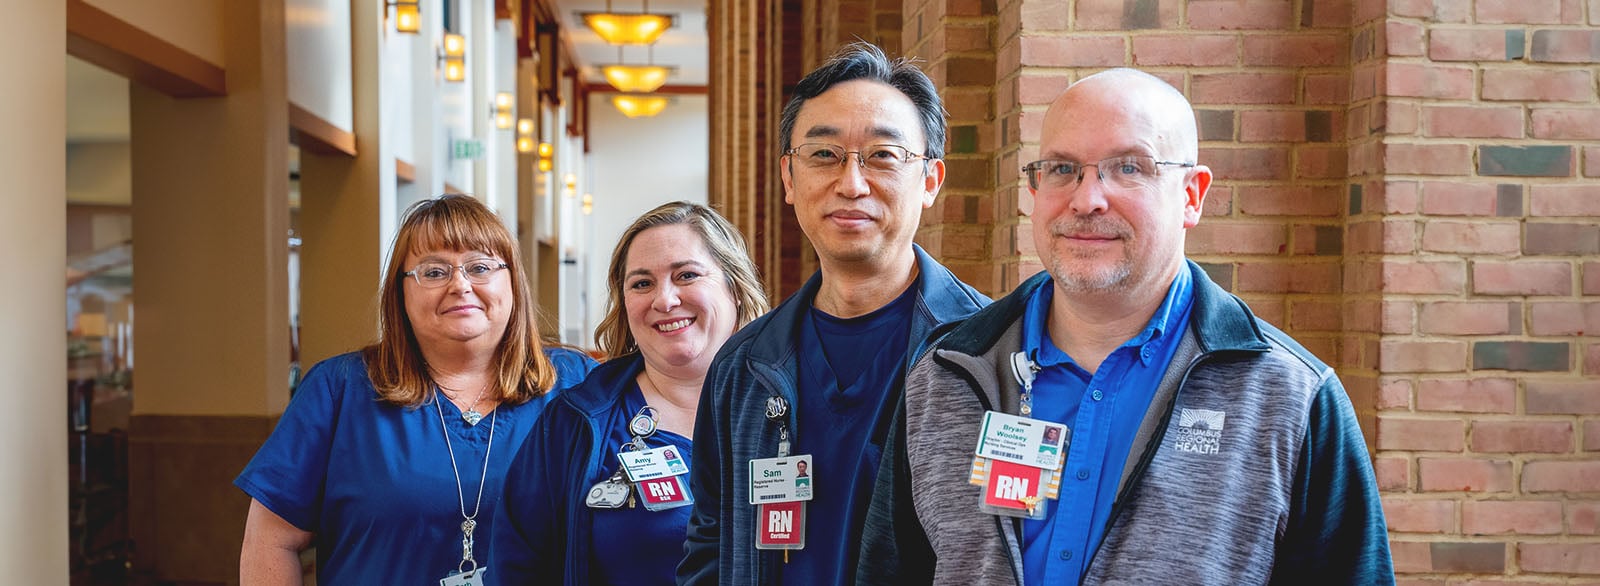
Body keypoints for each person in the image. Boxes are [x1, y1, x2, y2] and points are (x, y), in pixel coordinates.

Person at [864, 68, 1393, 585]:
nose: (1087, 199)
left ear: (1192, 195)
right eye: (1062, 168)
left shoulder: (1290, 397)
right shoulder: (944, 376)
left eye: (1129, 168)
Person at [678, 42, 990, 585]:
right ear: (788, 179)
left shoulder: (988, 351)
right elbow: (711, 543)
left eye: (883, 156)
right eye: (824, 155)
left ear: (932, 181)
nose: (851, 183)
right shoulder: (745, 367)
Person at [236, 194, 596, 585]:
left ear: (512, 282)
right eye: (434, 272)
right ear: (401, 291)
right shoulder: (338, 390)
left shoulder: (577, 383)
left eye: (479, 266)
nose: (460, 285)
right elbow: (271, 540)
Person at [491, 201, 769, 585]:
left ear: (734, 288)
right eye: (642, 283)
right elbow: (518, 567)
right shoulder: (575, 423)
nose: (665, 300)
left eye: (686, 275)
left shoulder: (799, 404)